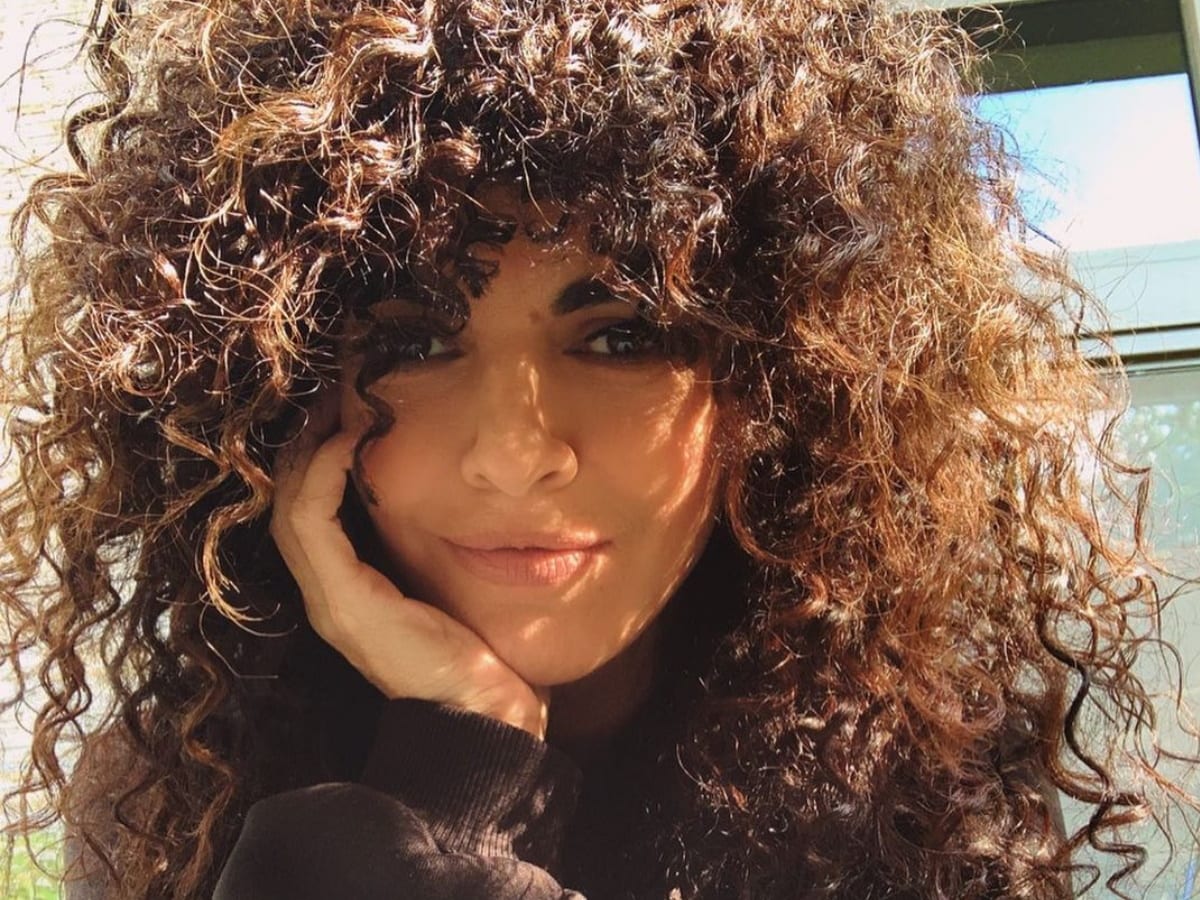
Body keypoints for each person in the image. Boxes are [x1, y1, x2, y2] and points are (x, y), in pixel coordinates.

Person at [1, 0, 1195, 897]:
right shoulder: (177, 789)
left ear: (780, 382)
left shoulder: (923, 778)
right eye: (414, 340)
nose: (516, 453)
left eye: (624, 335)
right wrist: (453, 761)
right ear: (286, 395)